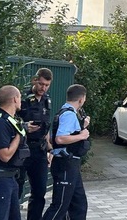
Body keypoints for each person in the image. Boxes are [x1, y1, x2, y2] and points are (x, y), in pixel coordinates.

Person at [0, 85, 30, 220]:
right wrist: (19, 136)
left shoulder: (11, 121)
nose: (21, 101)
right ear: (15, 99)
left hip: (10, 178)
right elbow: (5, 156)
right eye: (20, 97)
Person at [42, 84, 91, 220]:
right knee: (60, 206)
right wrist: (82, 136)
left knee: (79, 204)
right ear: (81, 99)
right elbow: (60, 138)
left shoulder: (65, 112)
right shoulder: (68, 114)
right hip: (65, 163)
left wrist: (82, 126)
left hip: (71, 163)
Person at [17, 69, 53, 220]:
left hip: (39, 150)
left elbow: (46, 128)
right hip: (22, 149)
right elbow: (10, 121)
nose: (43, 88)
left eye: (46, 85)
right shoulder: (22, 98)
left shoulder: (47, 100)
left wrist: (50, 149)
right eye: (41, 83)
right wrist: (24, 126)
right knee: (16, 190)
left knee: (39, 192)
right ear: (34, 81)